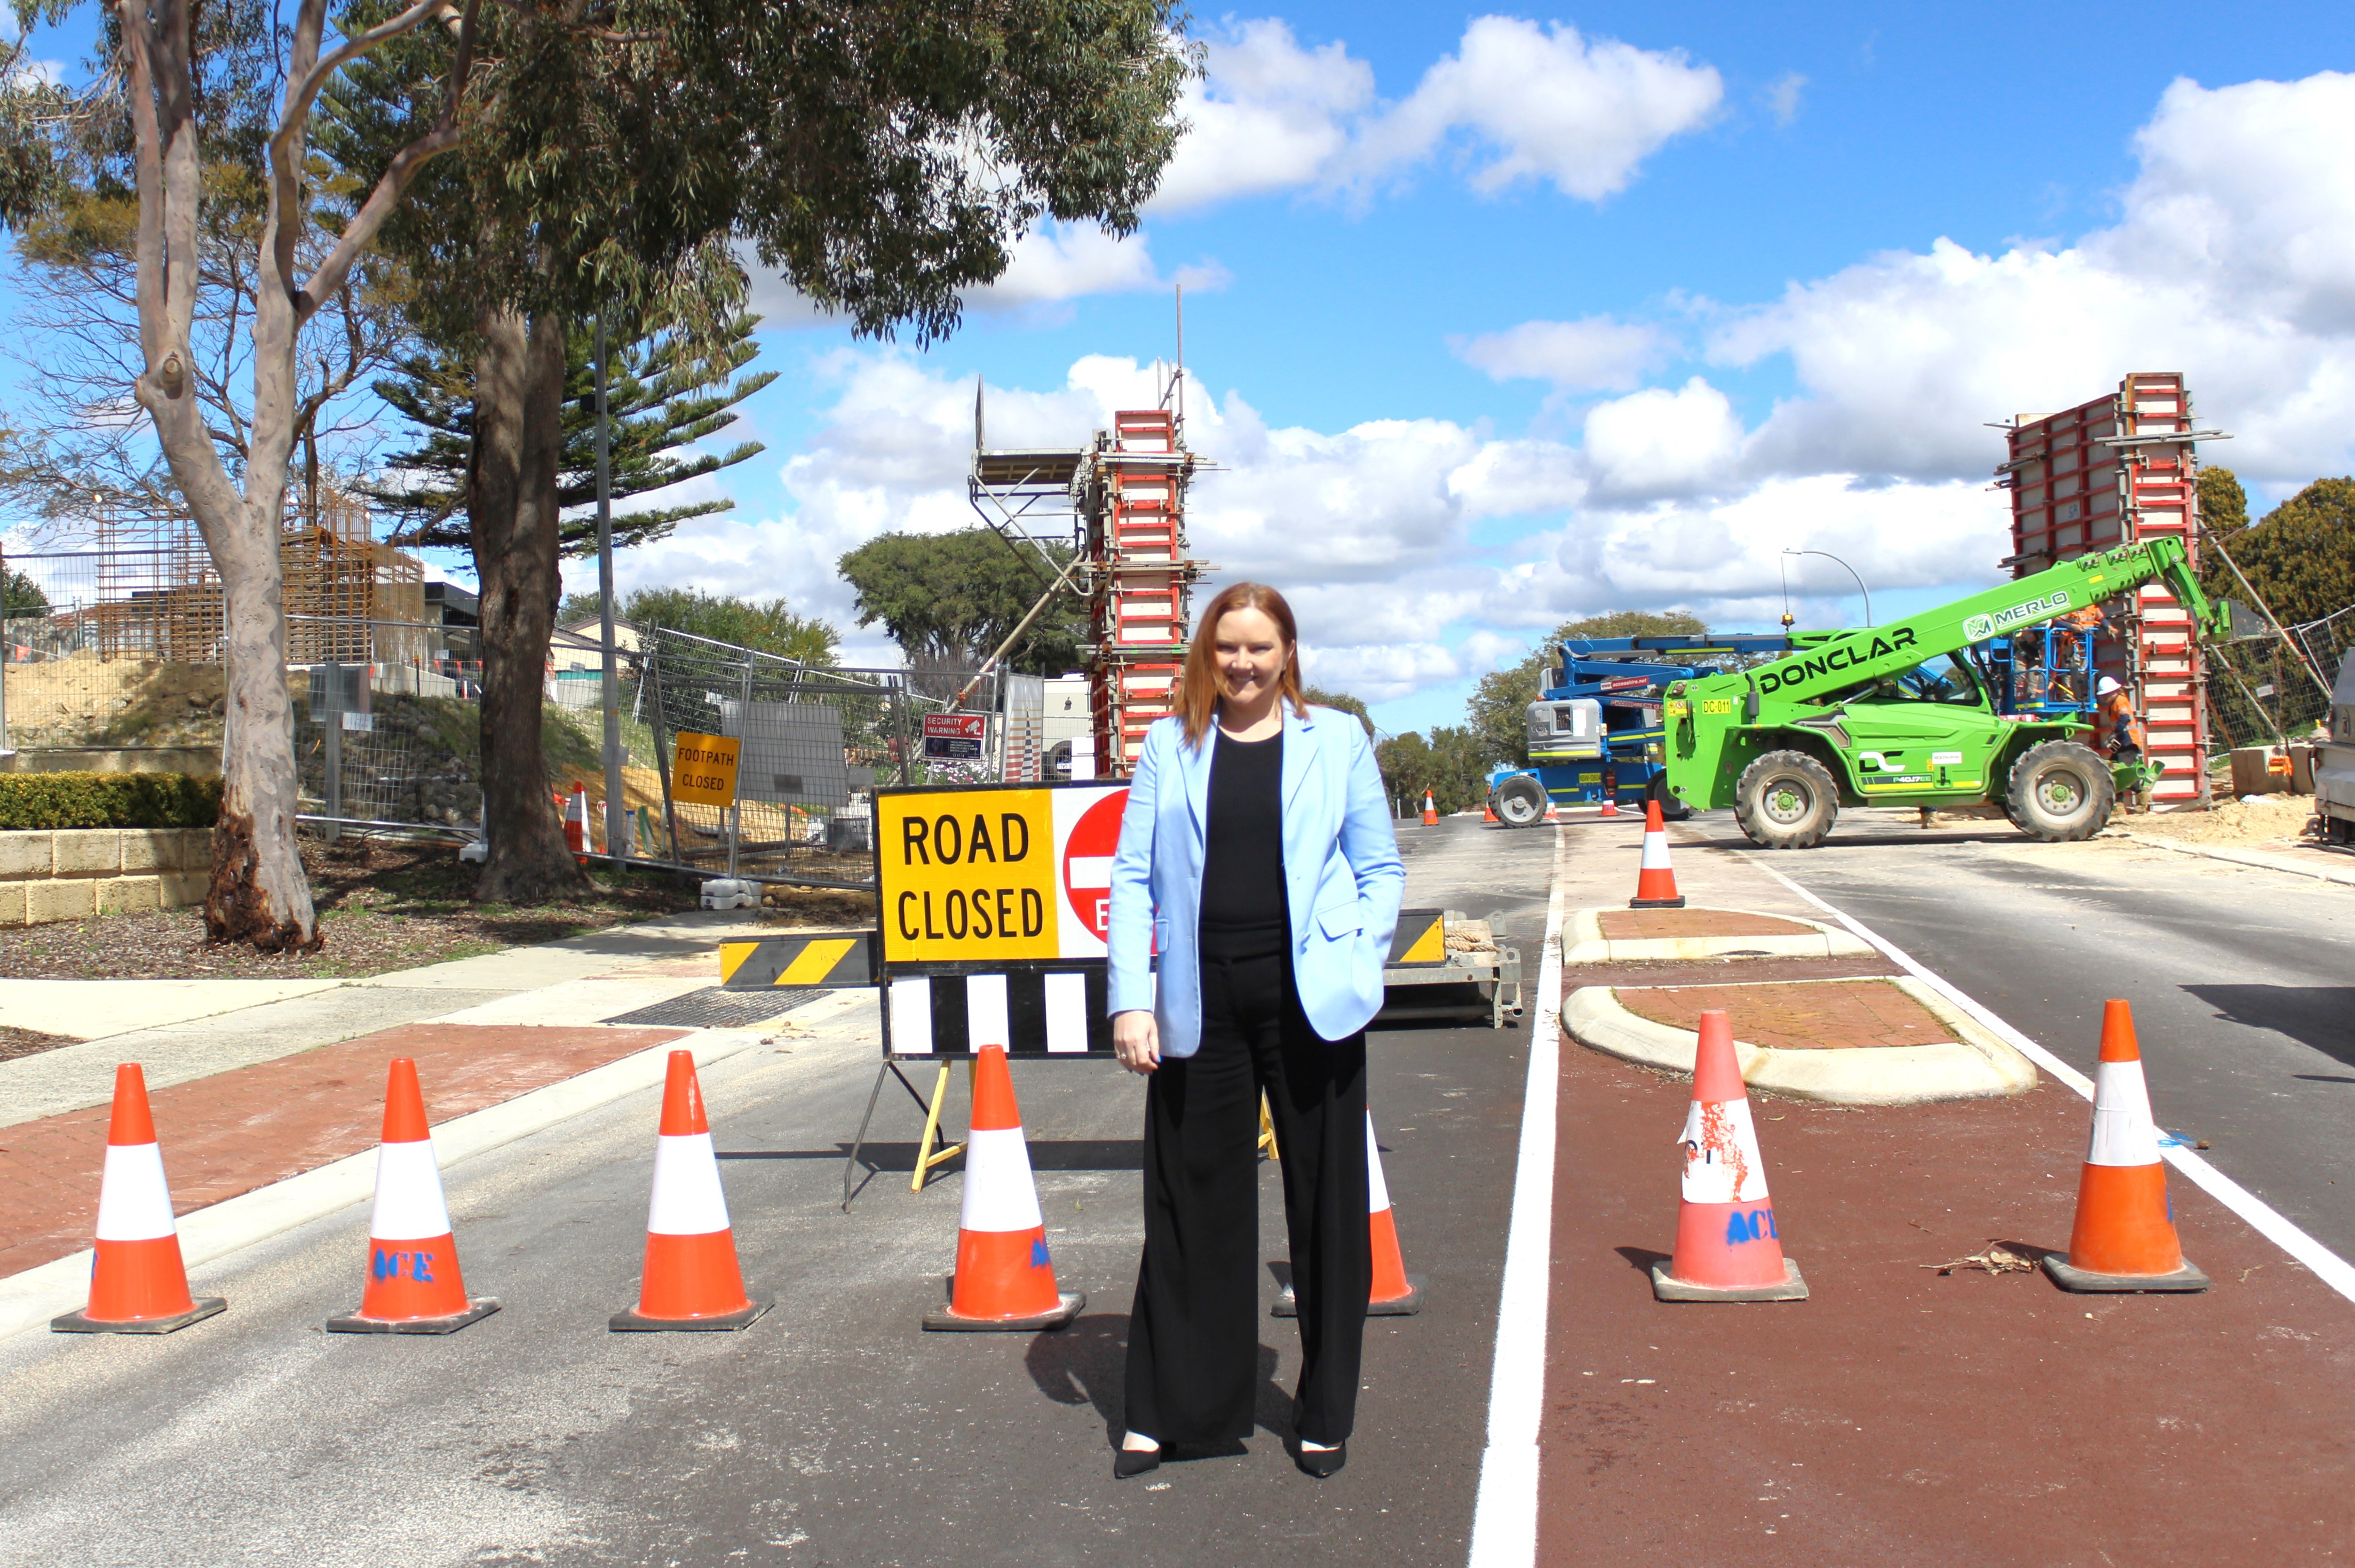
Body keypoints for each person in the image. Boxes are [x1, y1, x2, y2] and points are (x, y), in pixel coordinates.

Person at [1104, 582, 1406, 1482]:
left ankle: (1323, 1412)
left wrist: (1357, 961)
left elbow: (1378, 865)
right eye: (1226, 647)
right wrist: (1131, 998)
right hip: (1203, 1002)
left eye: (1258, 648)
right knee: (1192, 1207)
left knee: (1324, 1208)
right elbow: (1130, 879)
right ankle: (1175, 1413)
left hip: (1309, 1001)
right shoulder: (1170, 742)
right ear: (1207, 653)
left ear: (1287, 654)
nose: (1241, 664)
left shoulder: (1338, 738)